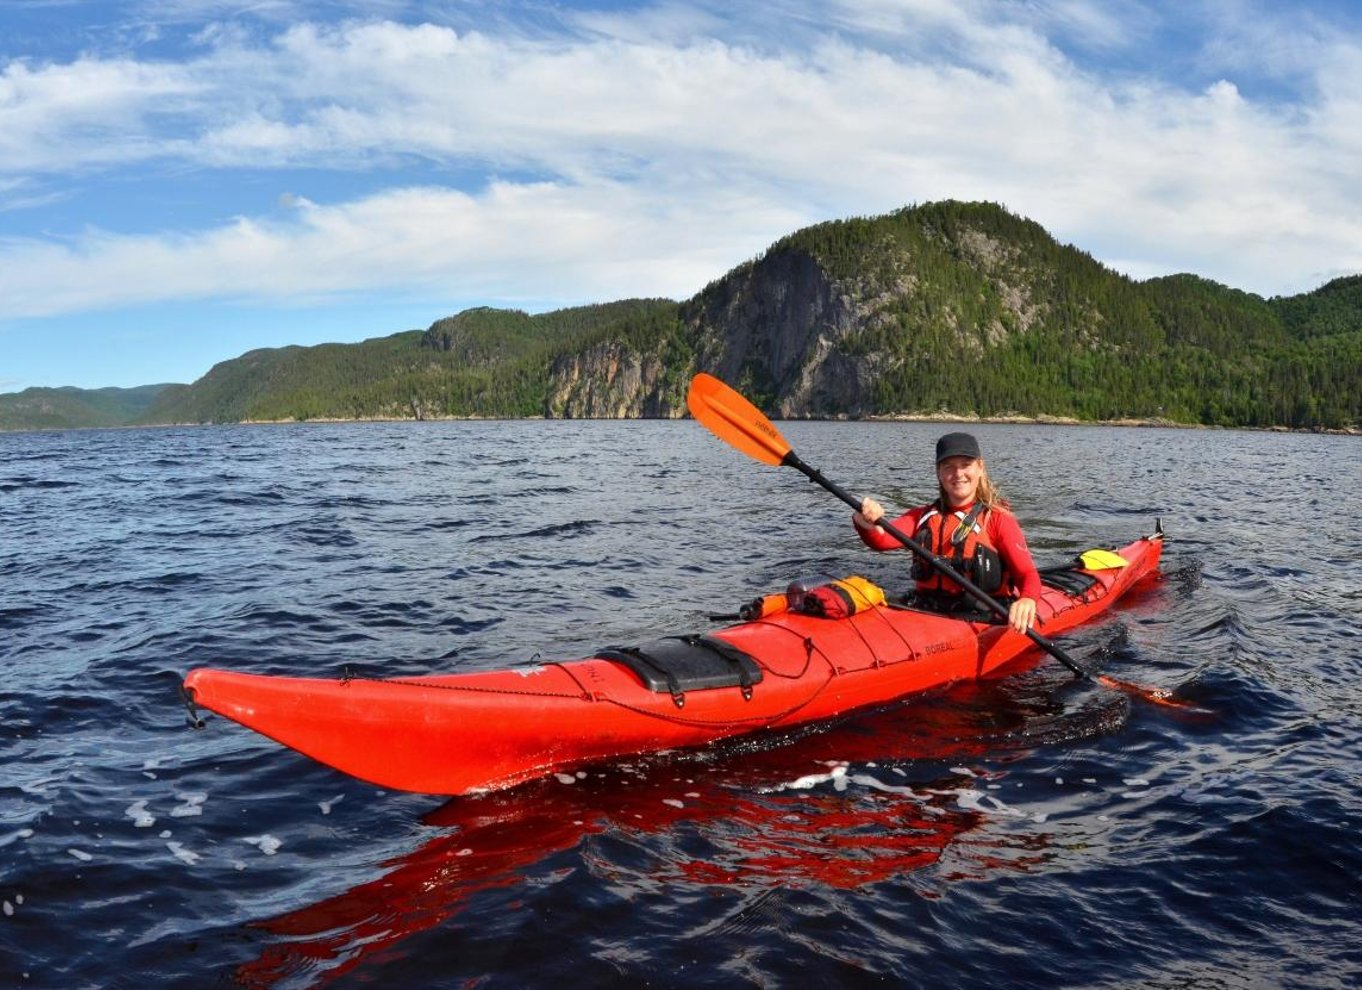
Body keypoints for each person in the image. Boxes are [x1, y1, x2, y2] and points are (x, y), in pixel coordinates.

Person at [852, 432, 1042, 634]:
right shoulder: (921, 517)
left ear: (980, 468)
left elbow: (1028, 574)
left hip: (981, 614)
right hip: (926, 608)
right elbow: (881, 540)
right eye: (948, 467)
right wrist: (863, 520)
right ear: (939, 473)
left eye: (965, 465)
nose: (958, 473)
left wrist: (1027, 599)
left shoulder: (997, 519)